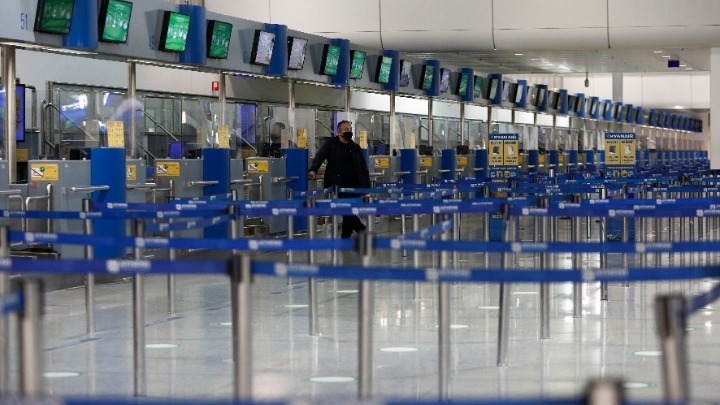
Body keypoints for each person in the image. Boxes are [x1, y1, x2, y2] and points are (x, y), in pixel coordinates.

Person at [308, 120, 370, 238]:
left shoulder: (355, 148)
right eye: (346, 129)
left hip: (353, 186)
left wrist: (366, 186)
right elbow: (320, 156)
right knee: (346, 210)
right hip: (337, 186)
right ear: (339, 132)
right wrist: (313, 170)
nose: (349, 131)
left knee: (349, 213)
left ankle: (345, 238)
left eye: (350, 129)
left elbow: (363, 167)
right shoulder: (331, 145)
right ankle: (362, 230)